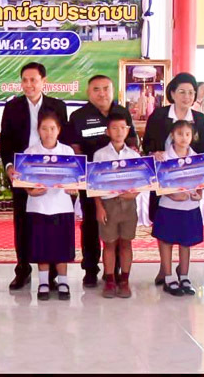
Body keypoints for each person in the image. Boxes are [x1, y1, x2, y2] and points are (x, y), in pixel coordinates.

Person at [0, 62, 68, 290]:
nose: (29, 85)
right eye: (25, 80)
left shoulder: (57, 106)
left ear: (43, 81)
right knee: (22, 222)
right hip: (23, 173)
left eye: (34, 80)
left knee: (52, 224)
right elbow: (5, 142)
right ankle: (23, 270)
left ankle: (54, 275)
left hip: (52, 173)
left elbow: (65, 140)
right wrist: (9, 167)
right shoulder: (12, 107)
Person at [66, 75, 136, 288]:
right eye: (96, 89)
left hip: (120, 185)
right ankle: (90, 269)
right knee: (90, 225)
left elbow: (133, 144)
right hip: (92, 184)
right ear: (88, 93)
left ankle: (114, 271)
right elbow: (74, 149)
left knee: (118, 229)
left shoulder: (122, 112)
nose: (102, 93)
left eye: (106, 88)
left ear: (113, 90)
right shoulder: (78, 116)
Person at [142, 72, 204, 284]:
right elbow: (147, 144)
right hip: (164, 182)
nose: (187, 96)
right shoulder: (159, 116)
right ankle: (165, 270)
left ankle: (182, 270)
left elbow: (203, 155)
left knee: (185, 230)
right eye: (182, 92)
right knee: (164, 227)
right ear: (172, 93)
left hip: (188, 186)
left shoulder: (200, 119)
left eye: (191, 92)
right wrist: (154, 153)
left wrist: (200, 187)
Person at [19, 112, 77, 301]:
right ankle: (43, 282)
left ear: (59, 130)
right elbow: (23, 179)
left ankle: (63, 281)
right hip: (38, 206)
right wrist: (30, 190)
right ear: (38, 131)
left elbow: (75, 180)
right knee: (41, 246)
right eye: (44, 128)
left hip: (62, 206)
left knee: (61, 247)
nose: (48, 132)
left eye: (52, 128)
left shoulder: (67, 152)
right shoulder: (30, 152)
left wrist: (73, 189)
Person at [152, 120, 204, 297]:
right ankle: (168, 277)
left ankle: (184, 275)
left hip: (190, 207)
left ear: (192, 136)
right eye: (180, 134)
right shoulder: (163, 157)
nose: (184, 138)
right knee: (166, 242)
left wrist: (199, 194)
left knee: (186, 242)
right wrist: (171, 195)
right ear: (172, 136)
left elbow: (202, 182)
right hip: (168, 206)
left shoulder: (197, 158)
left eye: (187, 134)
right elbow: (157, 182)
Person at [93, 113, 140, 299]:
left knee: (126, 243)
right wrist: (99, 207)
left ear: (127, 130)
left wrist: (134, 193)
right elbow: (94, 184)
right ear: (107, 131)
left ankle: (125, 280)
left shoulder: (134, 155)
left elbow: (141, 181)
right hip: (108, 204)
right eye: (114, 128)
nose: (119, 132)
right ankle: (110, 280)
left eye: (122, 128)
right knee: (109, 243)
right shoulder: (100, 155)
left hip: (128, 204)